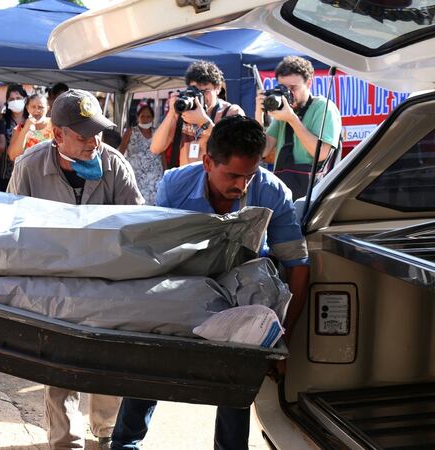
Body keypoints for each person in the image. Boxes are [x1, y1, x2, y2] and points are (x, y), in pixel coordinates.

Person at [112, 115, 310, 450]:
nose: (242, 186)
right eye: (232, 175)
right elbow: (155, 255)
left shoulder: (273, 190)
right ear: (207, 161)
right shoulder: (173, 185)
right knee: (147, 368)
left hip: (242, 300)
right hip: (181, 288)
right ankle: (125, 444)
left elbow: (298, 265)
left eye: (249, 176)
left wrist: (281, 339)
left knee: (235, 385)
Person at [8, 89, 144, 450]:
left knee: (108, 364)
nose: (93, 142)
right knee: (60, 368)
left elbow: (138, 226)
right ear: (58, 135)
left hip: (108, 283)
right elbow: (12, 229)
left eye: (97, 132)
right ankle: (66, 443)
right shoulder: (30, 167)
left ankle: (106, 429)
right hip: (54, 286)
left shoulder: (115, 165)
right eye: (83, 135)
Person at [256, 56, 342, 199]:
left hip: (314, 196)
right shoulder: (285, 111)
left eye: (293, 88)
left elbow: (321, 154)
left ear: (309, 83)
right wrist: (259, 114)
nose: (288, 94)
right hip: (285, 193)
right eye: (283, 88)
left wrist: (292, 119)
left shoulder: (324, 108)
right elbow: (262, 151)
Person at [150, 60, 244, 169]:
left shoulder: (231, 112)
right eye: (195, 91)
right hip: (186, 180)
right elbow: (155, 148)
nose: (200, 97)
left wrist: (203, 122)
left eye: (205, 91)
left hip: (215, 183)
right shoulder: (183, 112)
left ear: (218, 88)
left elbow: (237, 149)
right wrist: (172, 112)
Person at [120, 105, 164, 205]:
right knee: (138, 202)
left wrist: (165, 172)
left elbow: (162, 154)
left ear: (152, 118)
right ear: (138, 117)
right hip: (136, 175)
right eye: (142, 116)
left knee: (155, 203)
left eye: (148, 117)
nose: (145, 119)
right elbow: (121, 151)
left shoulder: (157, 132)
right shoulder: (131, 131)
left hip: (155, 175)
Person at [7, 92, 53, 161]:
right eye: (33, 107)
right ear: (27, 108)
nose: (37, 110)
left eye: (41, 107)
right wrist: (25, 129)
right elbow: (13, 156)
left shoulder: (55, 126)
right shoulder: (20, 128)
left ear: (47, 108)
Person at [0, 83, 28, 190]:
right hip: (6, 171)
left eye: (18, 98)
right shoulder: (2, 120)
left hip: (26, 171)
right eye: (11, 99)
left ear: (25, 99)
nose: (15, 101)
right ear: (7, 102)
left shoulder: (30, 120)